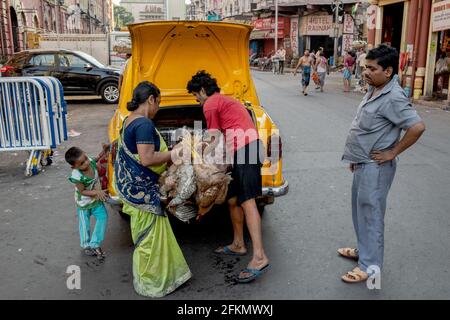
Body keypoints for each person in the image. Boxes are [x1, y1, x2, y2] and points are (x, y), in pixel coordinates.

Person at [339, 44, 426, 283]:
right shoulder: (375, 88)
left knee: (371, 215)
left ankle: (370, 266)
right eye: (365, 67)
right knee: (360, 212)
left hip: (376, 168)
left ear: (388, 71)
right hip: (362, 162)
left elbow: (417, 127)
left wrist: (393, 152)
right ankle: (363, 251)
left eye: (372, 68)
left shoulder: (394, 97)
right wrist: (356, 156)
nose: (366, 72)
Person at [186, 71, 270, 283]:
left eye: (196, 94)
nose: (196, 99)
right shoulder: (224, 100)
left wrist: (195, 155)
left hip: (247, 150)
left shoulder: (211, 103)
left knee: (247, 202)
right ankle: (239, 244)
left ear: (203, 90)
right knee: (233, 200)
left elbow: (213, 137)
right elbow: (223, 136)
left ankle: (259, 257)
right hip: (243, 151)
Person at [114, 81, 192, 297]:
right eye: (159, 103)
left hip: (131, 188)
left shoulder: (128, 120)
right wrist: (175, 153)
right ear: (151, 99)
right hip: (142, 193)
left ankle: (163, 276)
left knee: (148, 235)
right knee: (149, 239)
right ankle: (152, 283)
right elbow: (147, 159)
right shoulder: (144, 125)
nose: (158, 108)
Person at [65, 146, 109, 260]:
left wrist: (104, 152)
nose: (86, 162)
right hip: (83, 204)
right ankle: (86, 245)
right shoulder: (77, 176)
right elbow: (82, 191)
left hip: (96, 200)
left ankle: (95, 243)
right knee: (85, 225)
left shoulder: (90, 162)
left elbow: (96, 159)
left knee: (103, 217)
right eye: (82, 163)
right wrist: (97, 192)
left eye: (85, 158)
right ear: (74, 167)